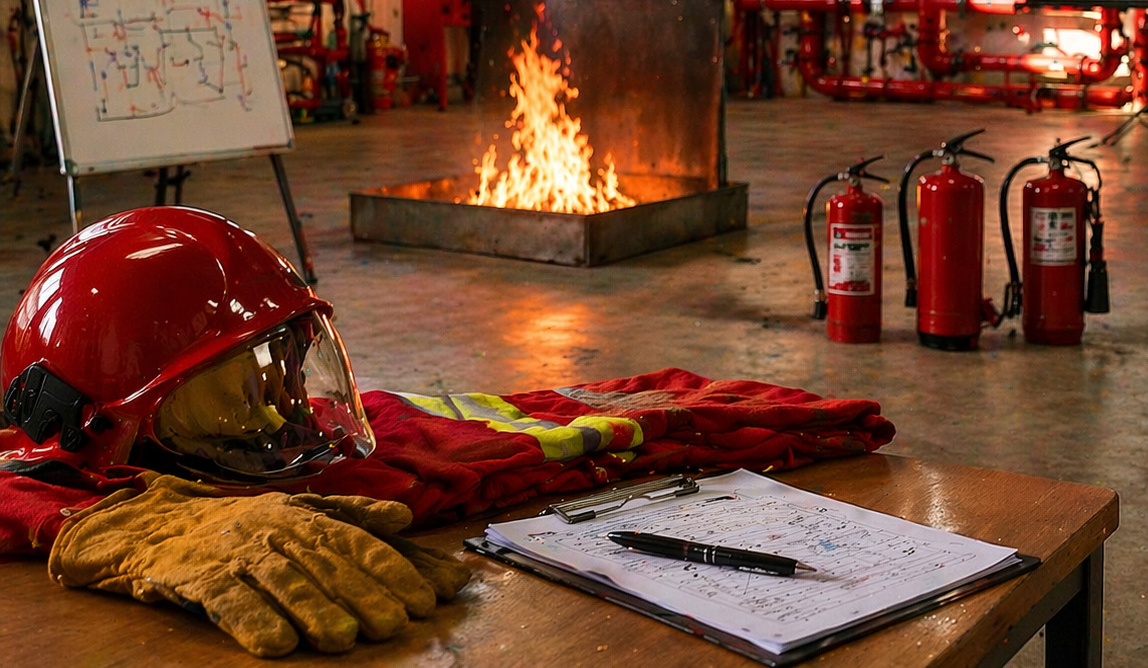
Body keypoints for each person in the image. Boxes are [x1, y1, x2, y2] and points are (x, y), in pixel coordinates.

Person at [0, 207, 894, 658]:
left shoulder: (356, 437)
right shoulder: (57, 471)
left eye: (283, 371)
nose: (286, 412)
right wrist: (104, 518)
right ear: (110, 428)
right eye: (238, 393)